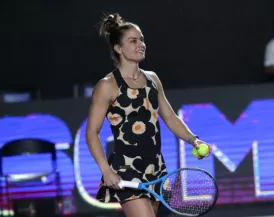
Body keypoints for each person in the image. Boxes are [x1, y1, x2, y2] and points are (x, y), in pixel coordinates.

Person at [85, 13, 212, 217]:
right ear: (118, 49)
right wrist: (106, 170)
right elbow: (92, 133)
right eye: (133, 41)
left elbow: (170, 117)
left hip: (156, 167)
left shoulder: (152, 79)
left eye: (141, 39)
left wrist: (194, 140)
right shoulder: (107, 85)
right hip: (126, 168)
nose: (140, 44)